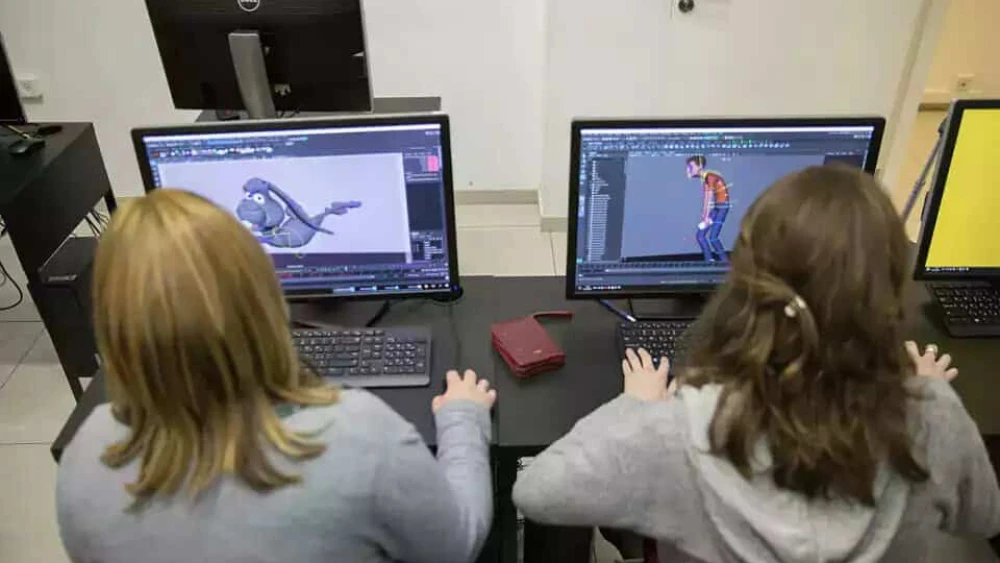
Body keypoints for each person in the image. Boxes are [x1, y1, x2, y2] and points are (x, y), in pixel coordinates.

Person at [514, 166, 1000, 563]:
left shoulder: (681, 427)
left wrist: (635, 406)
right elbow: (981, 519)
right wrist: (929, 394)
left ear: (746, 282)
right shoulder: (933, 414)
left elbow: (537, 492)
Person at [56, 189, 497, 563]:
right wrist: (463, 418)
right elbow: (456, 545)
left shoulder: (82, 458)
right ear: (262, 295)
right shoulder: (355, 436)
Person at [686, 155, 731, 263]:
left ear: (700, 166)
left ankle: (725, 264)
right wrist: (705, 216)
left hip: (722, 208)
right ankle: (709, 261)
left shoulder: (710, 177)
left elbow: (709, 198)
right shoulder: (705, 178)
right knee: (700, 236)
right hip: (717, 208)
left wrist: (706, 217)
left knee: (713, 238)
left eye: (691, 167)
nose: (689, 170)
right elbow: (707, 199)